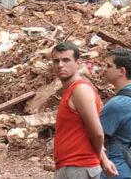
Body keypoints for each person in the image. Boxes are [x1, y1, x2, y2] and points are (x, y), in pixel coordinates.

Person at [52, 41, 117, 179]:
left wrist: (101, 159)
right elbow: (88, 130)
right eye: (56, 61)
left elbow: (98, 133)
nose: (60, 65)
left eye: (66, 60)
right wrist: (104, 159)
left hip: (79, 168)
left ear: (78, 63)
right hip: (71, 167)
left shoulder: (80, 90)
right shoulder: (71, 90)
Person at [100, 48, 131, 179]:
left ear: (122, 71)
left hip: (116, 168)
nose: (104, 69)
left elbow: (96, 136)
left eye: (109, 66)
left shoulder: (117, 104)